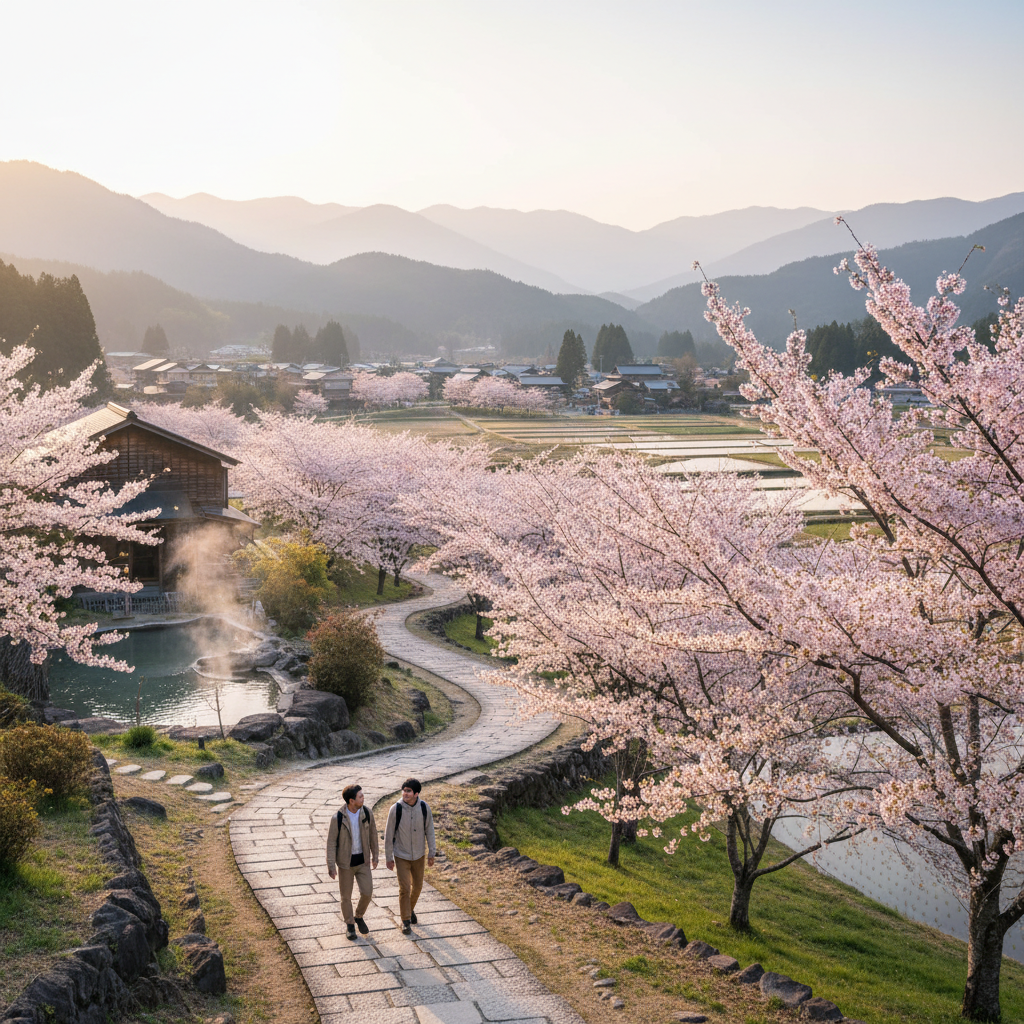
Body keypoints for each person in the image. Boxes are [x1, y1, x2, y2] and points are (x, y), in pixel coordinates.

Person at [326, 783, 379, 940]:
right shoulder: (338, 818)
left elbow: (373, 836)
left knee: (367, 892)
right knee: (346, 897)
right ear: (351, 800)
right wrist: (331, 866)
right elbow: (331, 843)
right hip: (345, 864)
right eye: (360, 796)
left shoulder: (367, 813)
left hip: (363, 862)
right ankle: (350, 925)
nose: (363, 798)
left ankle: (359, 916)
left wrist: (375, 856)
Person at [384, 777, 435, 934]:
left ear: (416, 793)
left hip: (419, 855)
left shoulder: (425, 808)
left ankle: (409, 909)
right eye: (404, 790)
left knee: (418, 887)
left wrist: (432, 852)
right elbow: (388, 834)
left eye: (408, 791)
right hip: (401, 855)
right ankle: (405, 920)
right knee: (405, 888)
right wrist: (388, 857)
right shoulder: (395, 809)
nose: (405, 794)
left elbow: (430, 831)